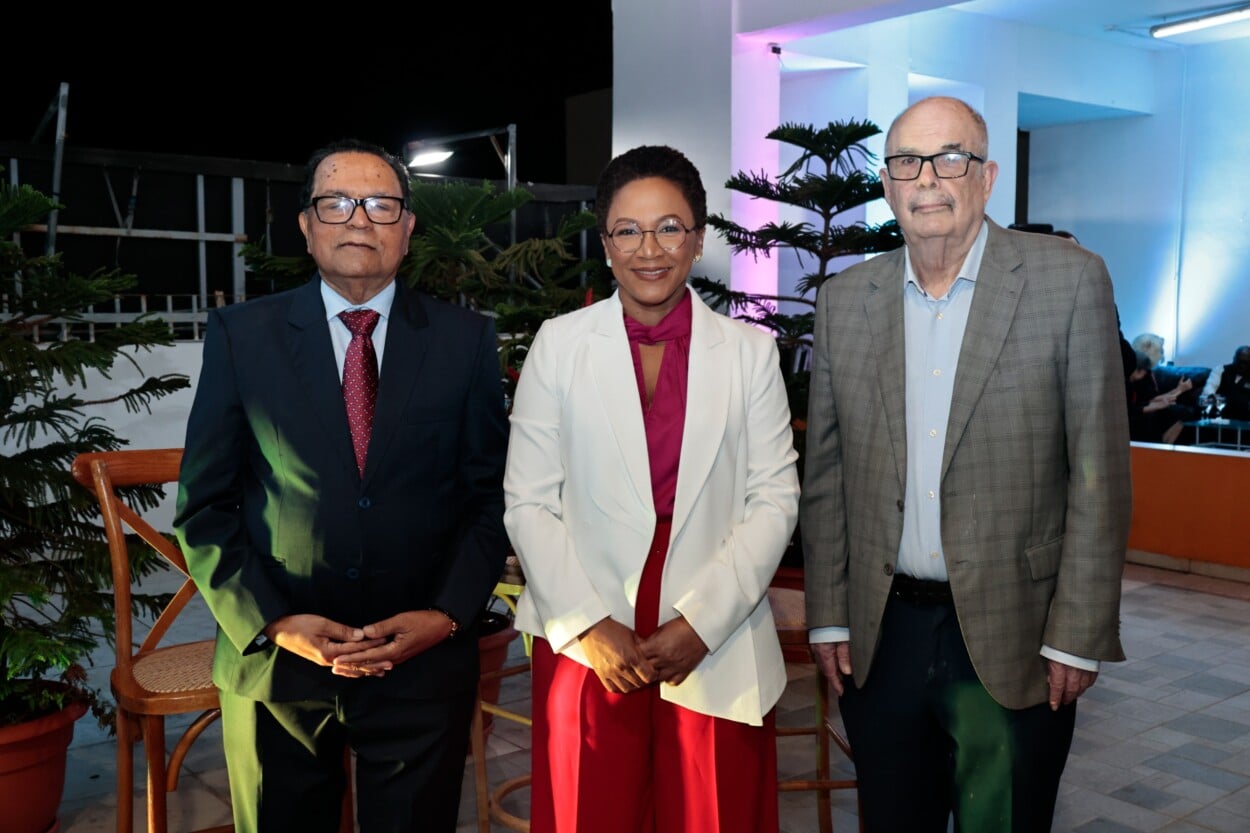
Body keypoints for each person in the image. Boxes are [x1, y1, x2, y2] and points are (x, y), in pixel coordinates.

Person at [800, 97, 1132, 832]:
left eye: (950, 159)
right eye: (907, 163)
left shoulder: (1068, 282)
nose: (928, 180)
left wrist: (1077, 630)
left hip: (1015, 634)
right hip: (881, 639)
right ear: (887, 185)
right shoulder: (846, 300)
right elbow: (826, 478)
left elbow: (1099, 475)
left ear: (986, 177)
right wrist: (828, 617)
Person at [174, 138, 509, 833]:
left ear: (408, 228)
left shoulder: (464, 341)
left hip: (418, 659)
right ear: (307, 224)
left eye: (382, 204)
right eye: (338, 202)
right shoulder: (243, 336)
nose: (360, 219)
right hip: (280, 664)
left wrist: (446, 615)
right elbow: (205, 506)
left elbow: (488, 499)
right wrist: (271, 622)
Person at [503, 145, 800, 833]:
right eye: (627, 230)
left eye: (669, 227)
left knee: (713, 812)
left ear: (697, 238)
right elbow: (528, 500)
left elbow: (775, 498)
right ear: (604, 242)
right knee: (590, 812)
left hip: (713, 621)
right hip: (588, 625)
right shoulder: (559, 343)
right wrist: (584, 621)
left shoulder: (750, 352)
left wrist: (704, 621)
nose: (649, 249)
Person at [1127, 349, 1192, 444]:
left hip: (1144, 407)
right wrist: (1179, 390)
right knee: (1176, 413)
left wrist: (1179, 390)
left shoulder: (1144, 377)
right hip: (1138, 413)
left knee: (1183, 411)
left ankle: (1164, 446)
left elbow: (1152, 398)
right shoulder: (1131, 382)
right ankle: (1161, 446)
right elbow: (1145, 402)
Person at [1200, 344, 1250, 420]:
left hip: (1244, 417)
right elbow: (1208, 391)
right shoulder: (1221, 370)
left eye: (1245, 363)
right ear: (1234, 359)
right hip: (1219, 413)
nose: (1242, 366)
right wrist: (1216, 401)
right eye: (1239, 362)